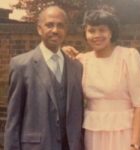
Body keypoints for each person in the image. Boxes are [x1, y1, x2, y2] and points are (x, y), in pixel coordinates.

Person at [63, 8, 140, 150]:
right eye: (91, 30)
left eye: (102, 30)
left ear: (111, 32)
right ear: (85, 33)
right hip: (93, 134)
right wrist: (62, 52)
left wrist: (135, 144)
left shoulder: (128, 56)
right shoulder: (82, 60)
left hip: (124, 134)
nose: (97, 35)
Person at [4, 4, 84, 150]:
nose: (55, 30)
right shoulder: (21, 65)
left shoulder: (76, 67)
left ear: (66, 30)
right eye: (49, 25)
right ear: (39, 28)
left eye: (60, 25)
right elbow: (13, 119)